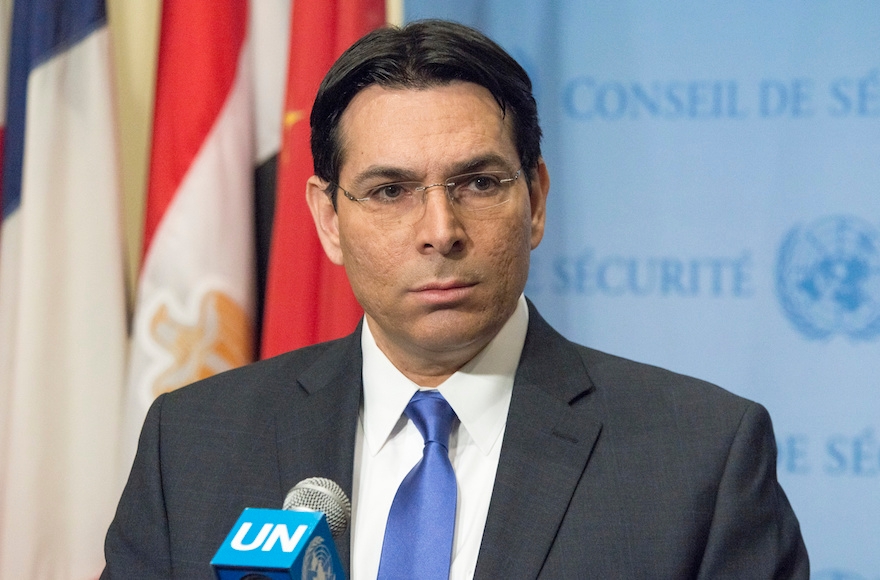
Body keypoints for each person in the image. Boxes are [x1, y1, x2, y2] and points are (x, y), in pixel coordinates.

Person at [102, 19, 809, 579]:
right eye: (390, 191)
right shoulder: (192, 445)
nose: (440, 232)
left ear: (535, 201)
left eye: (478, 183)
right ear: (328, 219)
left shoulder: (700, 458)